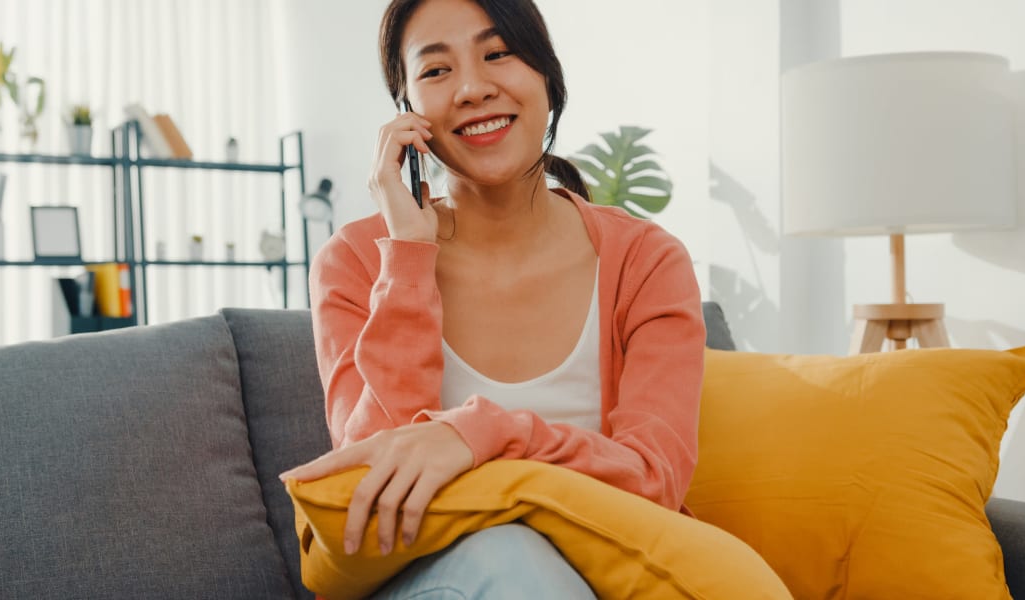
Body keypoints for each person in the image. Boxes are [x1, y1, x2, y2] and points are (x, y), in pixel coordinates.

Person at [279, 0, 705, 596]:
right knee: (508, 558)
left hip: (614, 570)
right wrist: (407, 257)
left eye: (497, 53)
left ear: (547, 80)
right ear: (409, 114)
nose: (473, 88)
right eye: (435, 70)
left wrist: (479, 434)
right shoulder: (354, 262)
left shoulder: (646, 261)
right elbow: (374, 487)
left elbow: (656, 480)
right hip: (428, 577)